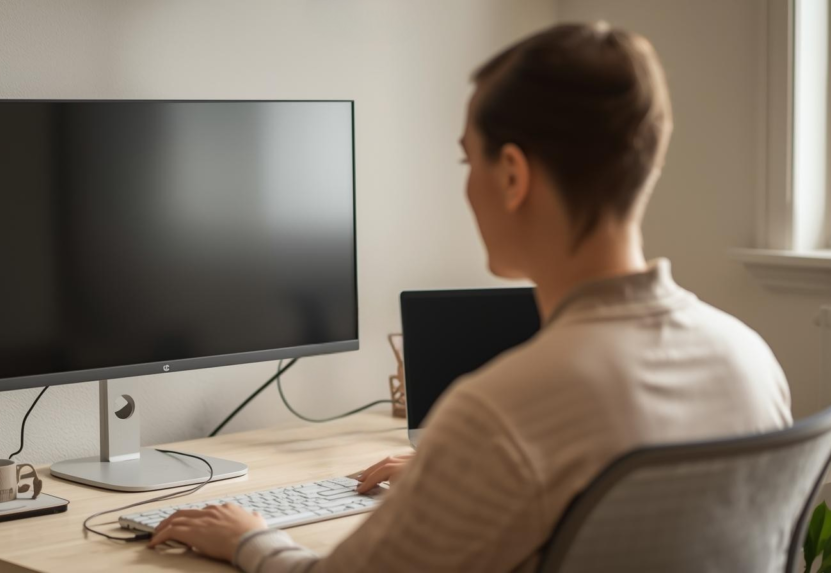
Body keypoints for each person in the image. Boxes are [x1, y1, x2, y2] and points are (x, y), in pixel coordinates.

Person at [146, 22, 793, 572]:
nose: (467, 186)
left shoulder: (503, 409)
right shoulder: (749, 357)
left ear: (512, 174)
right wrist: (450, 477)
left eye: (467, 162)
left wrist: (247, 537)